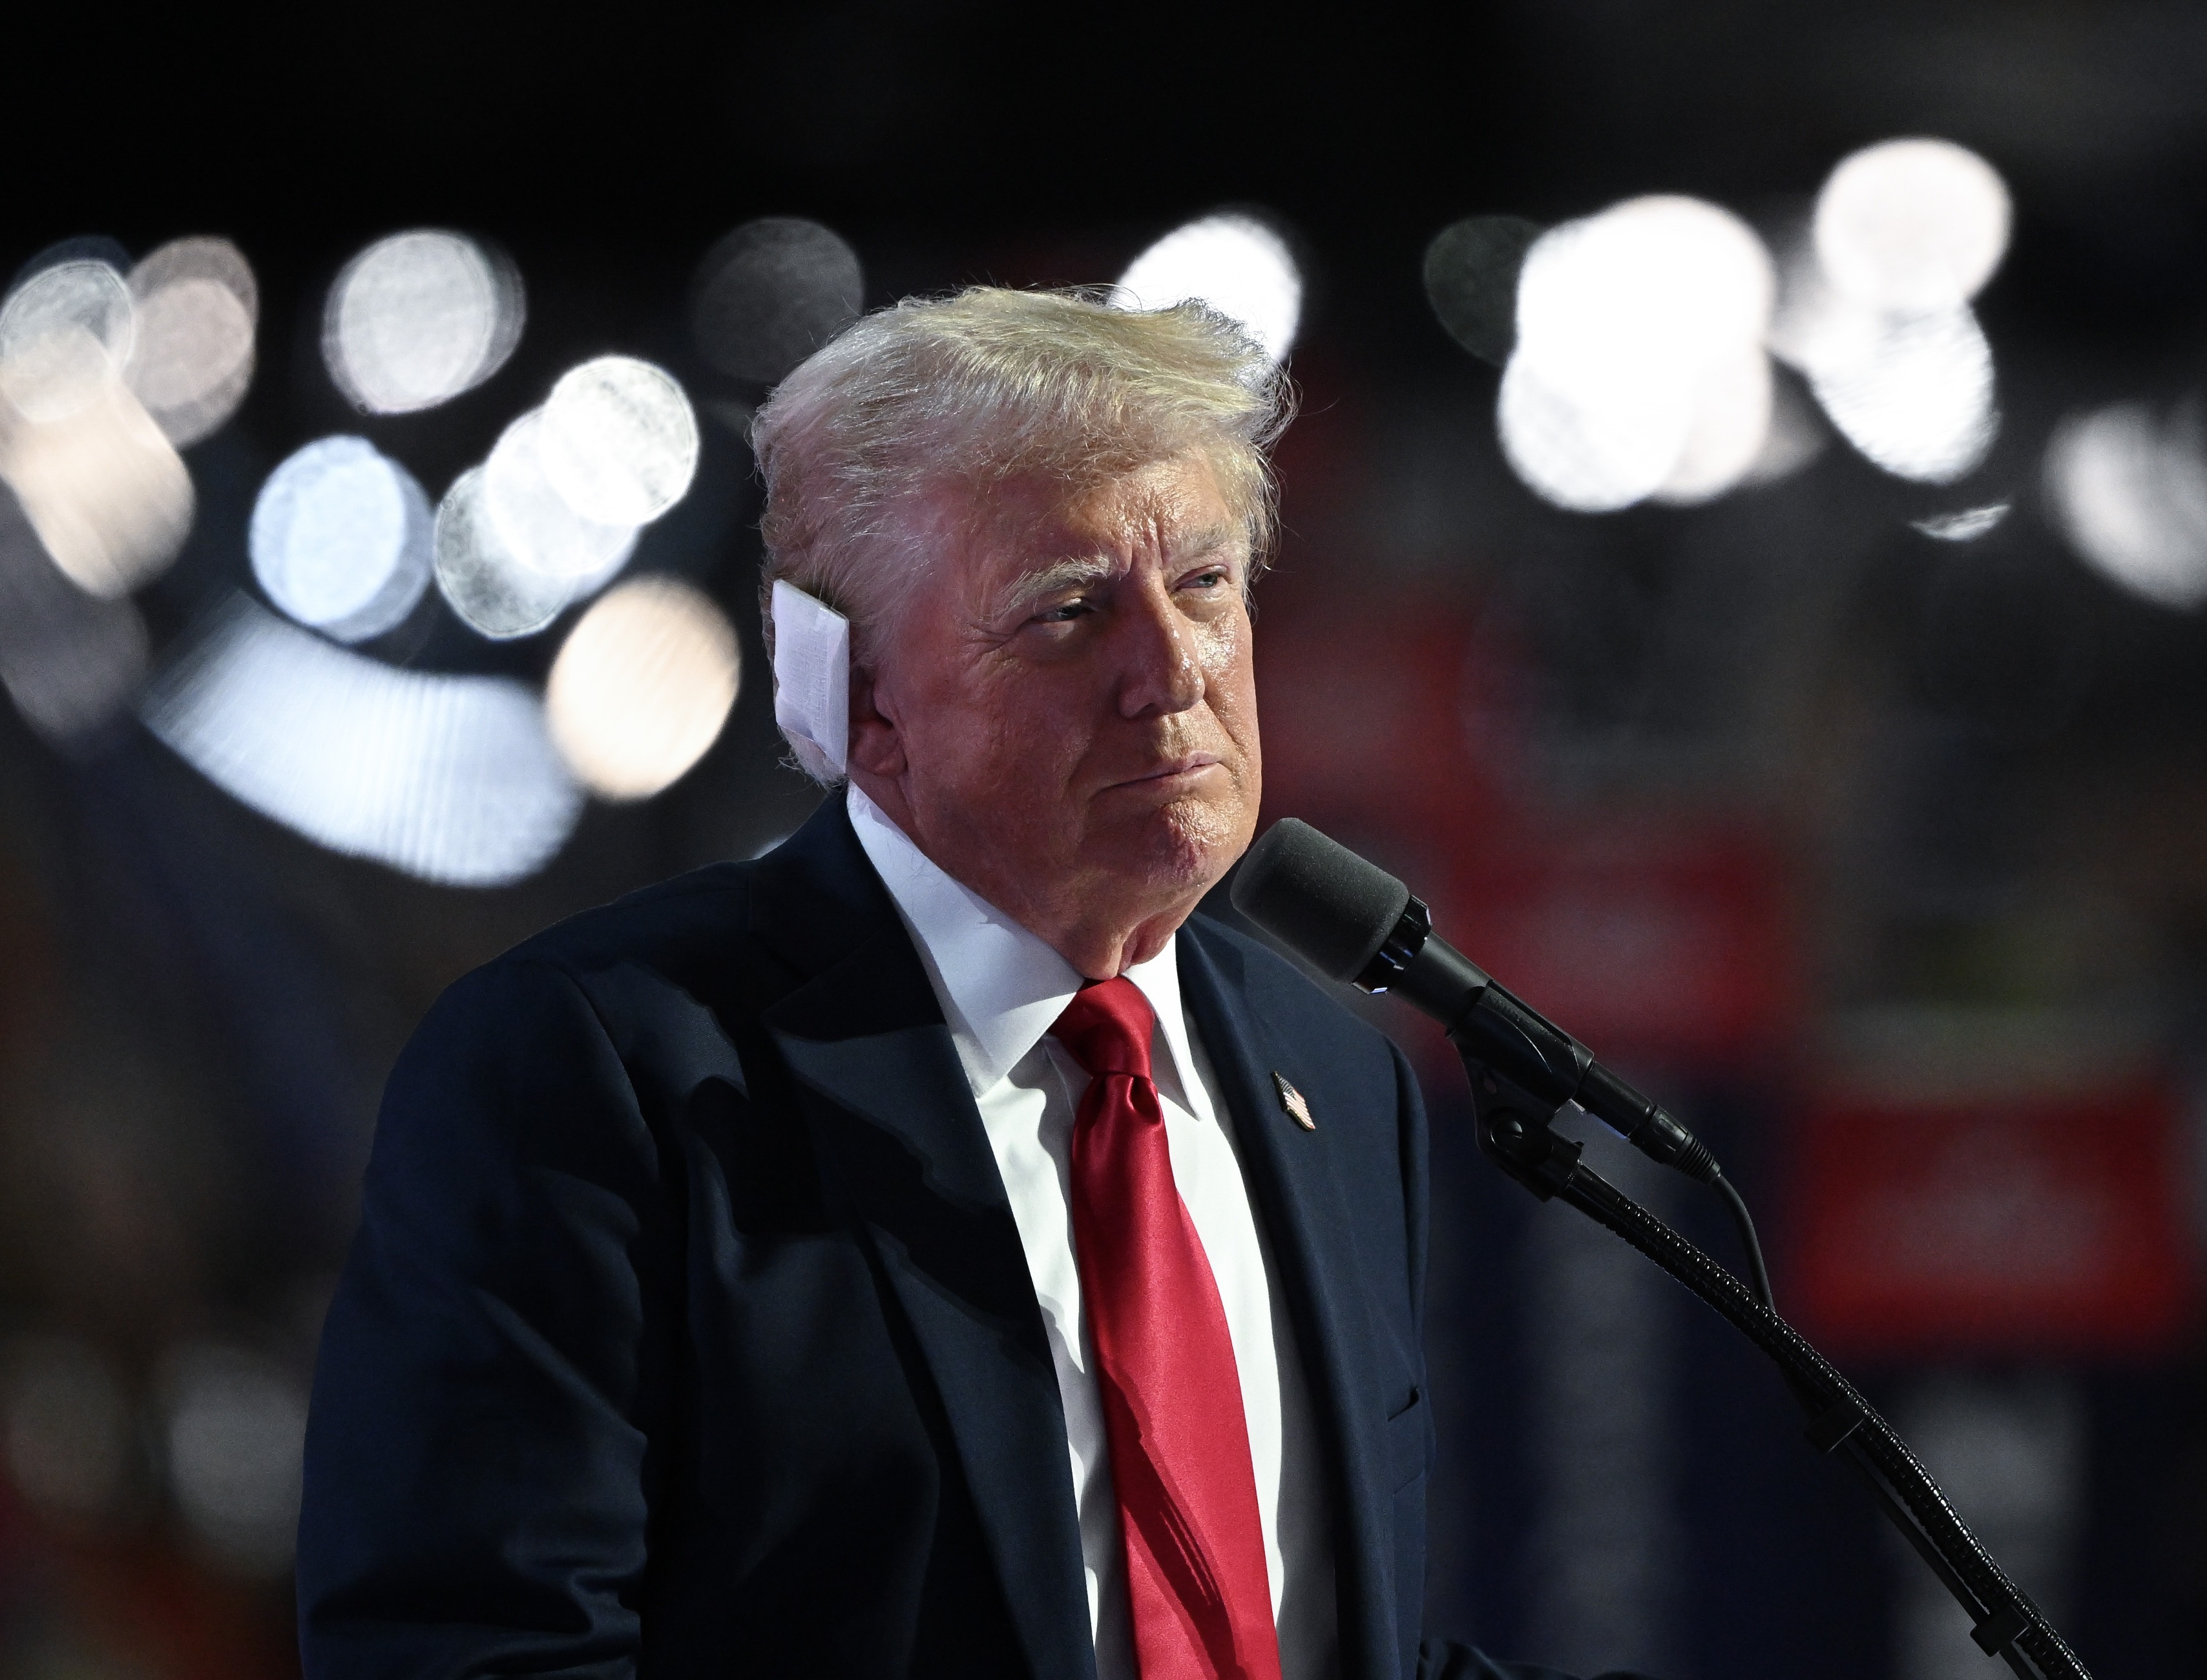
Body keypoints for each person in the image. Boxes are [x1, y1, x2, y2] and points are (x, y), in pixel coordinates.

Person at [297, 288, 1653, 1680]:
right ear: (863, 696)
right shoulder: (594, 1070)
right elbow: (474, 1650)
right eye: (1070, 611)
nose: (1173, 669)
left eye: (1203, 584)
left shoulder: (1336, 1070)